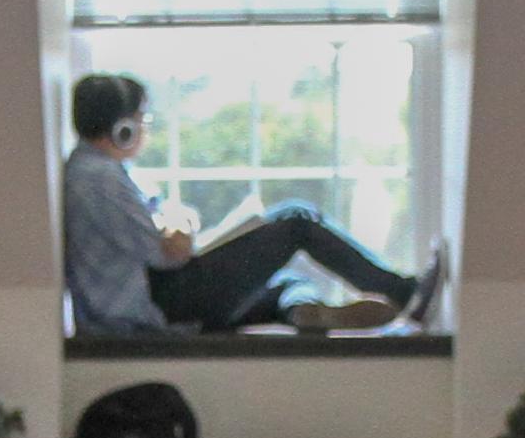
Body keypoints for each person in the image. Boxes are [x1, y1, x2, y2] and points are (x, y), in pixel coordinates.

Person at [61, 70, 448, 338]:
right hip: (155, 306)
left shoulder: (96, 172)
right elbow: (171, 253)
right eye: (142, 120)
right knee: (295, 219)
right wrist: (182, 226)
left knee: (285, 282)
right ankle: (402, 292)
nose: (145, 128)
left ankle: (304, 310)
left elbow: (158, 226)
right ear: (122, 129)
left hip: (149, 301)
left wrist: (173, 222)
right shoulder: (99, 178)